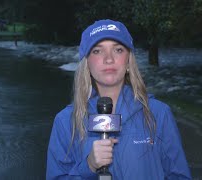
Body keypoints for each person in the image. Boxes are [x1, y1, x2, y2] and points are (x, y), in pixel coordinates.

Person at [46, 19, 192, 179]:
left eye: (118, 50)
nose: (109, 59)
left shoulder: (158, 113)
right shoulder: (66, 121)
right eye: (97, 51)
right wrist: (89, 166)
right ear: (86, 64)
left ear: (129, 61)